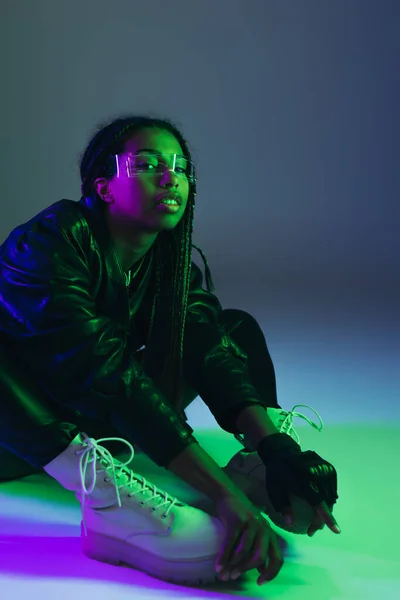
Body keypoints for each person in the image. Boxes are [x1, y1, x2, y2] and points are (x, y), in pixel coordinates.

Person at [0, 115, 340, 587]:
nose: (170, 176)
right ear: (104, 188)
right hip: (23, 432)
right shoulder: (48, 243)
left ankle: (259, 464)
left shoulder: (171, 262)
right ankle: (104, 498)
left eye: (180, 166)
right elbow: (105, 372)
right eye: (147, 163)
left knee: (231, 328)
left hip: (102, 418)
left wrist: (278, 447)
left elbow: (209, 351)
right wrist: (222, 496)